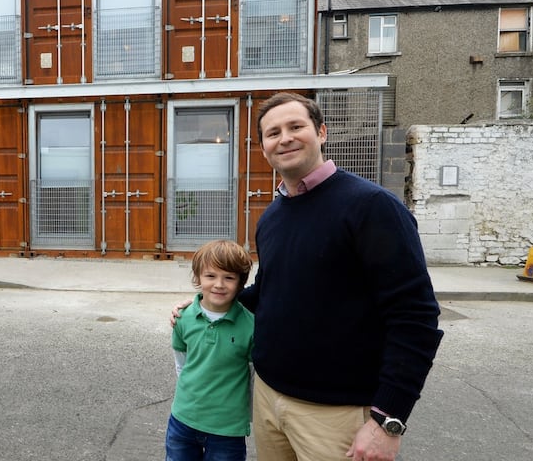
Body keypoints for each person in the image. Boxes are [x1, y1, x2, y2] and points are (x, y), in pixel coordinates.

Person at [172, 92, 443, 461]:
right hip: (268, 401)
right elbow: (270, 290)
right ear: (264, 147)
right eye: (273, 133)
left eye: (295, 126)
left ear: (321, 132)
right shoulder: (272, 217)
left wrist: (387, 419)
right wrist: (211, 304)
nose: (284, 138)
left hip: (335, 414)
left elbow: (416, 317)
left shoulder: (371, 207)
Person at [166, 239, 254, 461]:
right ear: (198, 278)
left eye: (229, 278)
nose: (219, 284)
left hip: (227, 429)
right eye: (211, 276)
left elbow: (253, 379)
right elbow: (182, 364)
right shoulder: (183, 318)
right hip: (183, 421)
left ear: (240, 282)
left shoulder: (251, 326)